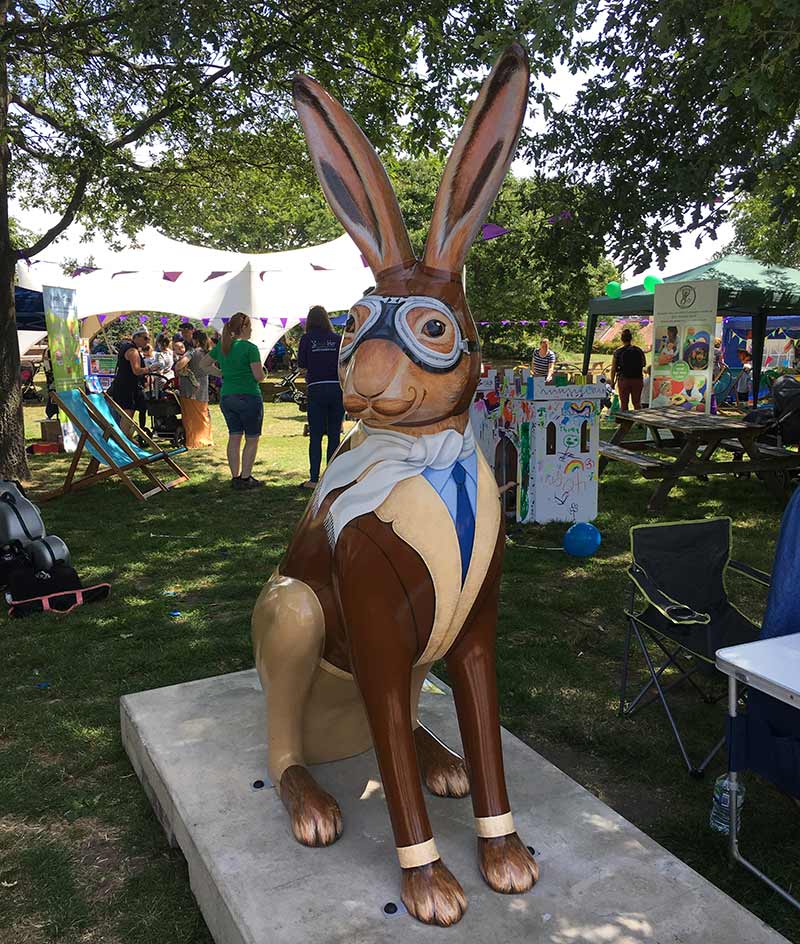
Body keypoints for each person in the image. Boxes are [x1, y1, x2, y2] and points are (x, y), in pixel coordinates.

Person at [208, 312, 266, 489]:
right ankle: (246, 477)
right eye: (249, 327)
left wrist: (222, 373)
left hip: (227, 396)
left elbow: (203, 365)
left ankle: (235, 477)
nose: (252, 330)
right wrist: (264, 374)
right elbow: (258, 376)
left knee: (234, 437)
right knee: (252, 438)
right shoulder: (250, 348)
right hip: (248, 395)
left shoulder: (223, 347)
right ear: (244, 328)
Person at [298, 305, 345, 488]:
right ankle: (332, 478)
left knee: (315, 435)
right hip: (336, 388)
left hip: (316, 388)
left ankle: (314, 479)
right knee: (334, 434)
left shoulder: (306, 339)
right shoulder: (337, 339)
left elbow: (302, 366)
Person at [173, 330, 216, 448]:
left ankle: (195, 441)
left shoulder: (192, 352)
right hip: (203, 387)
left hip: (189, 389)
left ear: (195, 340)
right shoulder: (208, 353)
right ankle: (206, 439)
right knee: (203, 415)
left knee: (190, 416)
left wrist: (180, 368)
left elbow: (179, 365)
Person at [108, 328, 157, 418]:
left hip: (124, 386)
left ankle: (124, 431)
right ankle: (123, 432)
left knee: (126, 416)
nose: (148, 341)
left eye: (149, 339)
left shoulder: (128, 348)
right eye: (145, 338)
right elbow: (137, 370)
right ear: (136, 337)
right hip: (127, 389)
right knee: (127, 417)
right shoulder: (132, 351)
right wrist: (150, 369)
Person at [610, 328, 646, 410]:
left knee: (624, 403)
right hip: (637, 379)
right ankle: (638, 421)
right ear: (631, 338)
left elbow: (613, 369)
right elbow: (644, 363)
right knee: (637, 403)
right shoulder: (639, 350)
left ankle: (625, 422)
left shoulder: (618, 352)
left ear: (622, 339)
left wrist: (612, 382)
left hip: (624, 380)